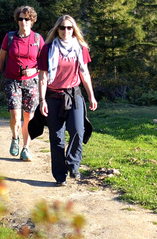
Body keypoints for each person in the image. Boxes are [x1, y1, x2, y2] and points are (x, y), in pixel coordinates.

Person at [39, 15, 97, 185]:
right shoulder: (48, 49)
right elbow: (43, 77)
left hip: (74, 94)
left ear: (74, 30)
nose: (66, 31)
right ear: (57, 29)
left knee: (78, 131)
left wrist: (91, 95)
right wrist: (42, 100)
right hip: (53, 96)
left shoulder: (80, 48)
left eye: (69, 28)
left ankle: (73, 165)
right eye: (63, 28)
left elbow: (85, 74)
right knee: (57, 138)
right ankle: (60, 175)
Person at [0, 5, 44, 162]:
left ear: (32, 21)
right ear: (17, 20)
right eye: (21, 18)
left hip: (32, 82)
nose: (23, 21)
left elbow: (43, 63)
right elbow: (0, 59)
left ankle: (26, 148)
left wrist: (34, 70)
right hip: (12, 81)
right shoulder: (10, 38)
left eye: (27, 19)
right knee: (15, 116)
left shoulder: (37, 39)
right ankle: (15, 138)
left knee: (29, 117)